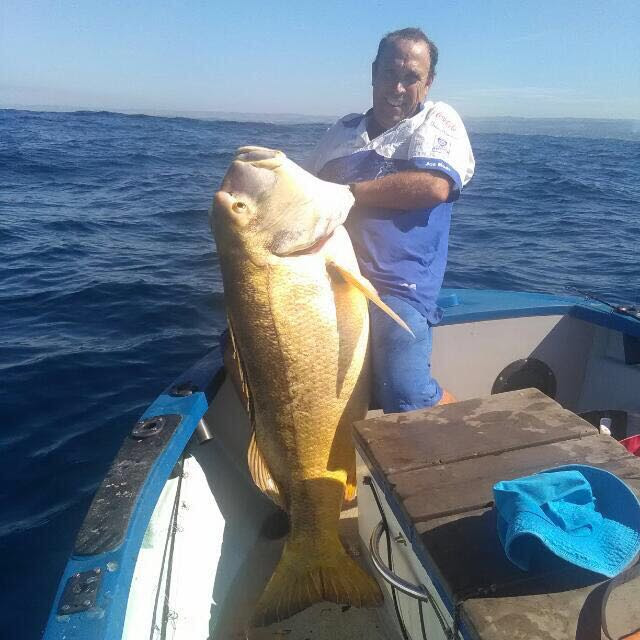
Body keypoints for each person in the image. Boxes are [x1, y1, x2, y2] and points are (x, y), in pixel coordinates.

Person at [307, 27, 475, 413]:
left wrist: (349, 193)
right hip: (327, 283)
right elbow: (307, 197)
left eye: (410, 78)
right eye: (388, 74)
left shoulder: (438, 120)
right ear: (373, 73)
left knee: (404, 391)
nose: (396, 88)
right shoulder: (342, 130)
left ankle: (470, 434)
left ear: (428, 83)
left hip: (397, 289)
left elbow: (434, 186)